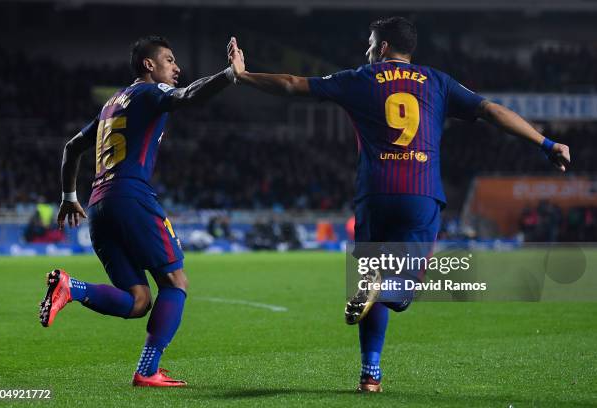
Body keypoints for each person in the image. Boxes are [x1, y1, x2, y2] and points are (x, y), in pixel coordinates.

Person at [227, 16, 570, 392]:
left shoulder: (359, 78)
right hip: (419, 193)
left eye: (371, 43)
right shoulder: (438, 81)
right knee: (402, 287)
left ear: (384, 47)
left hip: (374, 196)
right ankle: (382, 295)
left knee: (373, 280)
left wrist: (243, 75)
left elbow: (292, 84)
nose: (367, 50)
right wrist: (546, 144)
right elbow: (492, 111)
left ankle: (370, 375)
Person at [39, 36, 244, 387]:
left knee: (137, 301)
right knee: (176, 283)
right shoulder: (149, 93)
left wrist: (68, 196)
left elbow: (73, 147)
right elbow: (188, 96)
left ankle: (71, 288)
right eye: (169, 60)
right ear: (149, 65)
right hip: (131, 196)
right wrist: (230, 74)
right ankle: (148, 369)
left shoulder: (111, 105)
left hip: (98, 205)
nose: (176, 67)